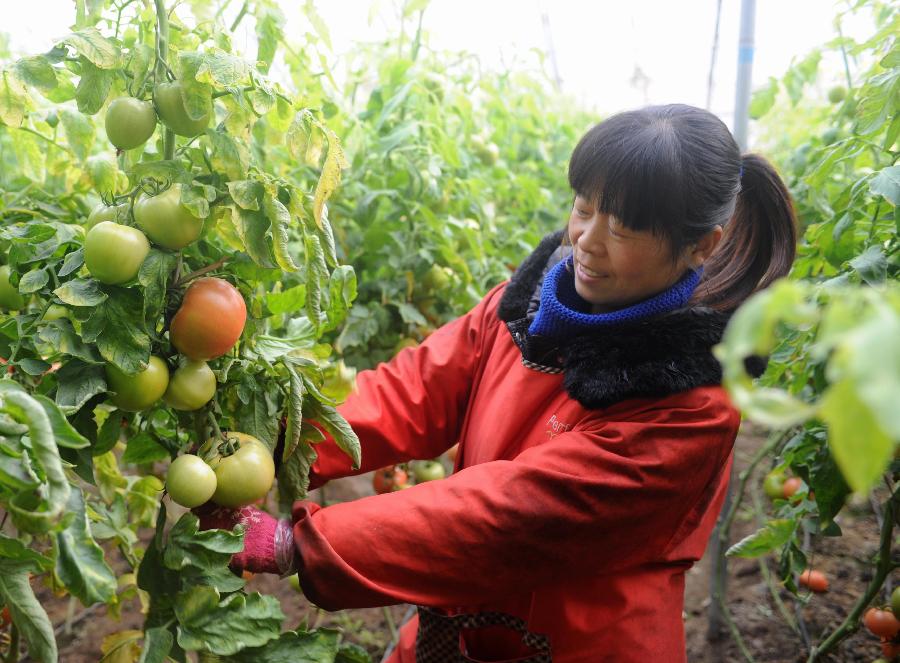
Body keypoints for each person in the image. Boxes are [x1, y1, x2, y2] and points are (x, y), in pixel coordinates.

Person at [200, 103, 798, 662]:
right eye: (584, 208)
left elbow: (517, 516)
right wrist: (268, 436)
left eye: (622, 229)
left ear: (702, 245)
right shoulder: (526, 307)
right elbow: (413, 391)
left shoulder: (692, 403)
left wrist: (300, 543)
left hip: (583, 640)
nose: (587, 241)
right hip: (461, 615)